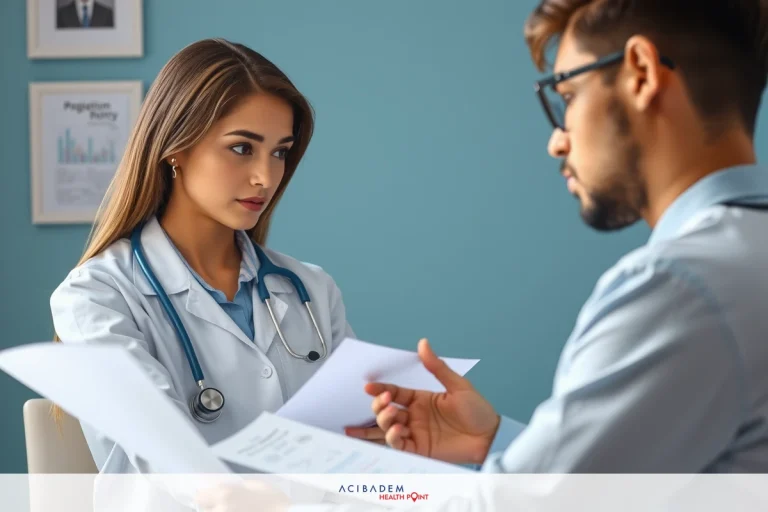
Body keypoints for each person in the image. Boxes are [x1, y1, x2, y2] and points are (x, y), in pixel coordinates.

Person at [191, 0, 768, 510]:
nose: (557, 139)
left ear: (640, 73)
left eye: (566, 95)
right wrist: (504, 442)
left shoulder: (680, 287)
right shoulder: (746, 260)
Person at [50, 38, 383, 483]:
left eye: (280, 151)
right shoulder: (96, 297)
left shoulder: (311, 291)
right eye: (242, 148)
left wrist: (381, 439)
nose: (266, 177)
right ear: (175, 148)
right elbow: (169, 460)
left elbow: (360, 446)